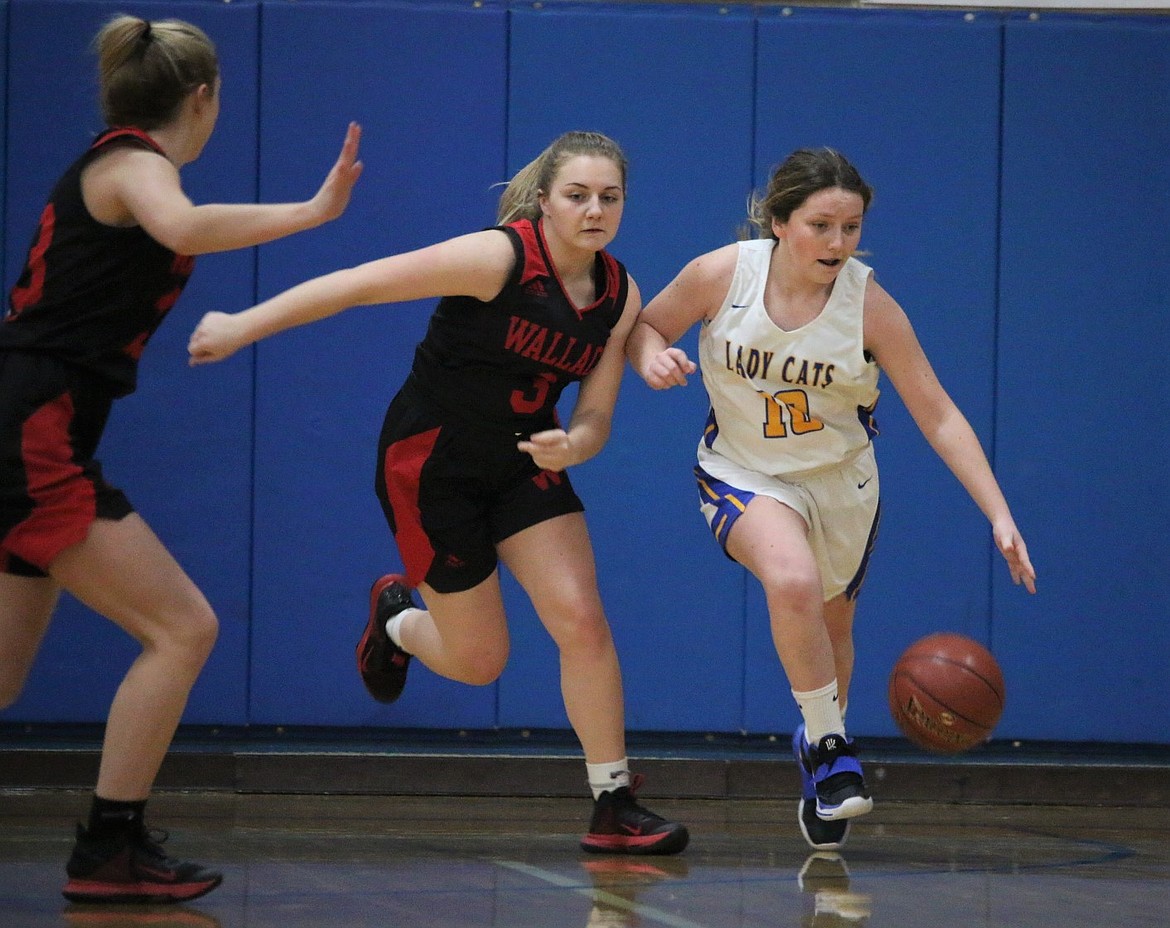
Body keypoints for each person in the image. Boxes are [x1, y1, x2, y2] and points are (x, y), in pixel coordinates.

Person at [187, 130, 689, 856]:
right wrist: (243, 325)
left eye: (609, 197)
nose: (594, 210)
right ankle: (395, 621)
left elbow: (596, 414)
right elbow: (358, 284)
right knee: (481, 661)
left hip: (523, 461)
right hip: (432, 465)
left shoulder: (618, 293)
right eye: (577, 195)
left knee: (582, 620)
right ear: (544, 200)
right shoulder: (498, 257)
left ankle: (612, 801)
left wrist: (575, 445)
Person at [0, 15, 362, 903]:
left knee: (3, 676)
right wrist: (314, 211)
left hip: (38, 423)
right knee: (183, 627)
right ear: (202, 99)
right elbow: (186, 226)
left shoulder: (116, 163)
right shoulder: (134, 165)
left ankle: (108, 850)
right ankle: (108, 846)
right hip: (31, 430)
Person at [625, 147, 1036, 852]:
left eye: (851, 228)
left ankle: (821, 754)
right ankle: (830, 750)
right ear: (779, 221)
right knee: (791, 578)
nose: (838, 243)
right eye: (821, 225)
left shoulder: (869, 305)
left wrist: (997, 511)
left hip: (842, 482)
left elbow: (937, 413)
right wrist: (650, 357)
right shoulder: (723, 275)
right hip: (742, 470)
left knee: (831, 630)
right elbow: (646, 324)